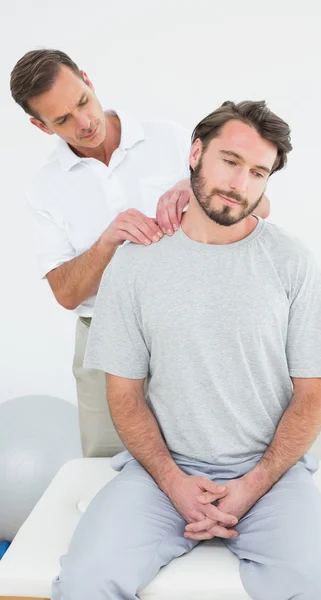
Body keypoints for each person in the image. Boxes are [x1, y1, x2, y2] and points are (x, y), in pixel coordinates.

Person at [51, 100, 321, 599]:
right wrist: (173, 481)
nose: (240, 184)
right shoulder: (135, 264)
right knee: (83, 583)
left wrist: (252, 485)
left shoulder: (293, 263)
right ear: (195, 153)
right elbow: (124, 394)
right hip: (159, 474)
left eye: (258, 172)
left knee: (318, 584)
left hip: (269, 475)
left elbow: (314, 393)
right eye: (230, 161)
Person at [9, 48, 272, 458]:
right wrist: (107, 242)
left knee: (205, 456)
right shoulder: (44, 189)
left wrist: (198, 189)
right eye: (62, 120)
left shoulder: (168, 138)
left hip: (189, 324)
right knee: (106, 463)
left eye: (82, 102)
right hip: (103, 333)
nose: (84, 122)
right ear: (40, 126)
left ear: (88, 81)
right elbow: (65, 294)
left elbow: (261, 208)